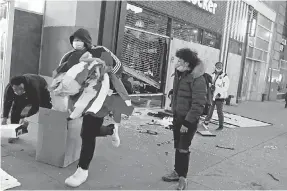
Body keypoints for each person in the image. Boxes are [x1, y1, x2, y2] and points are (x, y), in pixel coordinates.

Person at [54, 28, 133, 187]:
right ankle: (110, 129)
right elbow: (62, 73)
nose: (77, 42)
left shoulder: (100, 50)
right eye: (74, 39)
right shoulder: (68, 56)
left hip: (100, 98)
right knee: (91, 130)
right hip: (79, 99)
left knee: (87, 133)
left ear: (87, 40)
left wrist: (105, 73)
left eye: (80, 39)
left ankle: (82, 170)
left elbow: (118, 66)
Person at [162, 48, 207, 190]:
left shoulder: (197, 78)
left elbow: (199, 103)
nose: (177, 62)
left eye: (179, 60)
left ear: (187, 63)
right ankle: (177, 171)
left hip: (188, 120)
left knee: (183, 148)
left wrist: (187, 122)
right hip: (178, 117)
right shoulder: (180, 74)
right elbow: (179, 92)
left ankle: (183, 178)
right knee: (177, 145)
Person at [1, 74, 52, 143]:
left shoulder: (33, 86)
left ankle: (47, 133)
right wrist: (5, 117)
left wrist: (25, 117)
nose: (18, 92)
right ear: (12, 87)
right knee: (16, 109)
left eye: (20, 88)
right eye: (15, 89)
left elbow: (35, 105)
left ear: (24, 85)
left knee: (45, 109)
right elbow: (7, 103)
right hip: (28, 90)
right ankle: (15, 133)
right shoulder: (9, 89)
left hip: (41, 86)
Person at [202, 62, 230, 131]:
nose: (219, 67)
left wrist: (219, 94)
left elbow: (226, 87)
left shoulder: (224, 76)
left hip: (220, 97)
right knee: (210, 110)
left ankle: (221, 126)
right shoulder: (212, 74)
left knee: (219, 111)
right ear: (215, 66)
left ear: (222, 67)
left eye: (220, 66)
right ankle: (206, 123)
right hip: (213, 96)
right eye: (217, 66)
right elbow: (211, 83)